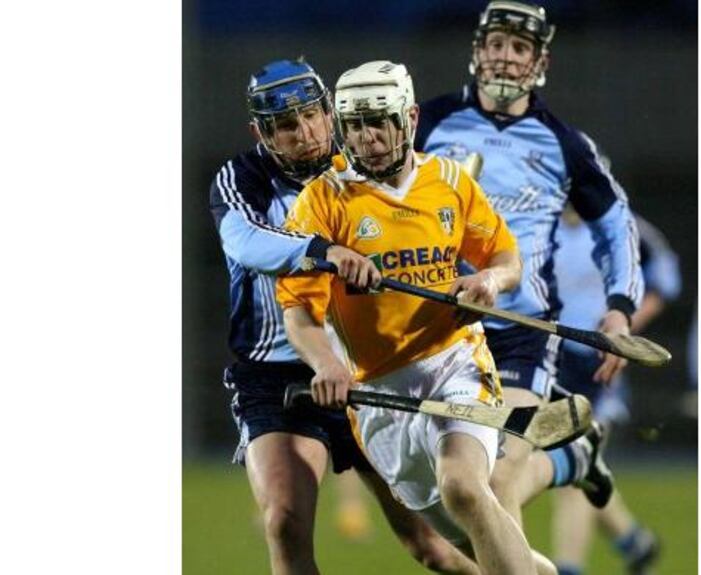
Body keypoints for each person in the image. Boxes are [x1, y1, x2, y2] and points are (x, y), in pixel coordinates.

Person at [277, 60, 556, 575]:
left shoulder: (448, 181)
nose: (369, 138)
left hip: (454, 363)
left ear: (408, 118)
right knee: (469, 539)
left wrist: (487, 282)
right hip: (379, 395)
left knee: (465, 488)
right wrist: (326, 366)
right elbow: (299, 311)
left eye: (379, 122)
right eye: (356, 126)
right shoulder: (322, 202)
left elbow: (506, 260)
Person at [209, 58, 478, 575]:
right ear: (260, 132)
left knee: (436, 547)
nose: (304, 134)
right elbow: (242, 242)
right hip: (280, 378)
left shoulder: (364, 168)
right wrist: (322, 250)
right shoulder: (241, 178)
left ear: (330, 113)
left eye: (311, 116)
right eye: (286, 126)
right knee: (284, 521)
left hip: (371, 367)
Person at [415, 0, 645, 526]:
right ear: (478, 51)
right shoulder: (424, 125)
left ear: (539, 63)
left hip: (522, 331)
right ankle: (571, 457)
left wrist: (619, 307)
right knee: (448, 507)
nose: (505, 57)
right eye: (496, 44)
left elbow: (616, 225)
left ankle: (568, 456)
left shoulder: (565, 145)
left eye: (519, 47)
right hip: (438, 334)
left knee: (493, 482)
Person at [549, 203, 680, 575]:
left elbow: (667, 280)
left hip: (599, 367)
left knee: (573, 472)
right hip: (550, 361)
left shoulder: (623, 226)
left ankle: (568, 568)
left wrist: (623, 329)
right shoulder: (537, 219)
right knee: (582, 468)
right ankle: (634, 541)